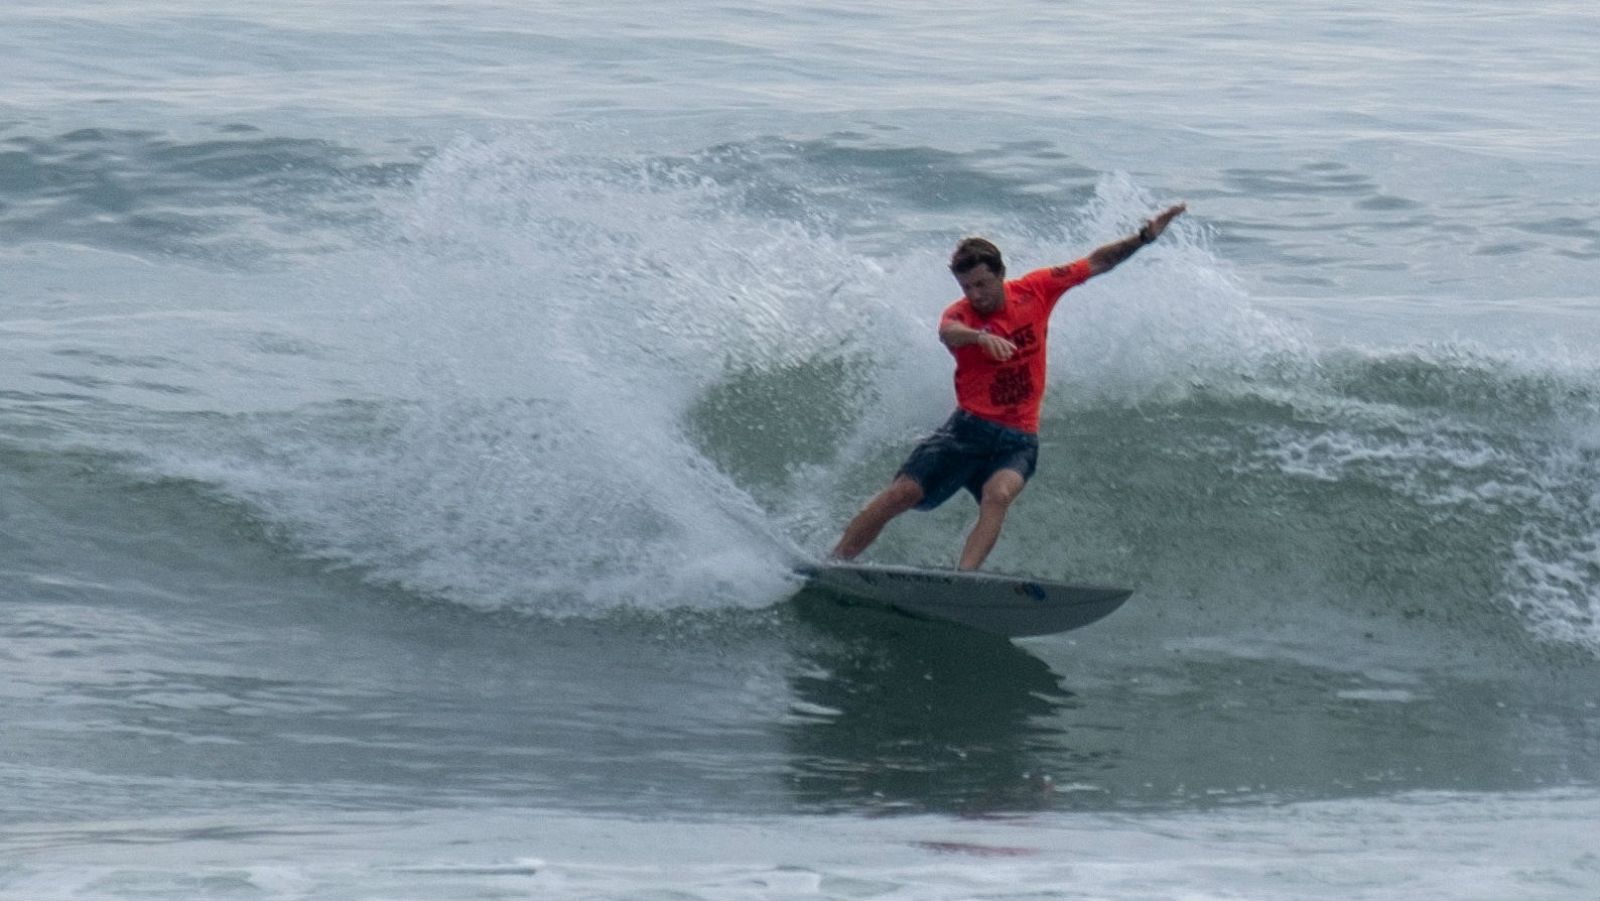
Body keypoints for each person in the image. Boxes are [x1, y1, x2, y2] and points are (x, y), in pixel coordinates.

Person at [831, 202, 1188, 571]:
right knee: (902, 494)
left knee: (998, 494)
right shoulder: (961, 316)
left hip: (1018, 440)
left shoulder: (1036, 290)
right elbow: (946, 331)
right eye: (967, 287)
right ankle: (835, 561)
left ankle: (963, 579)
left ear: (1001, 274)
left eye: (983, 284)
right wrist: (979, 338)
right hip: (965, 432)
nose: (976, 294)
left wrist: (1143, 238)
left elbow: (1097, 262)